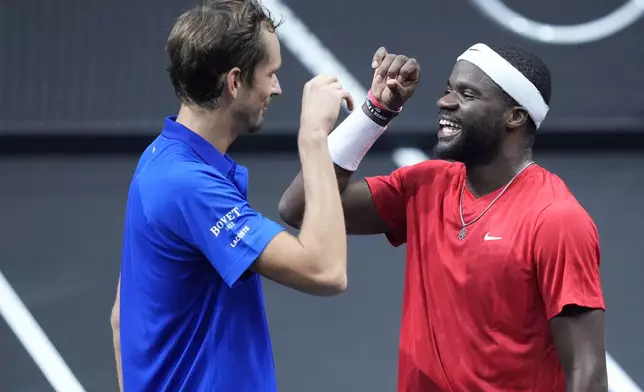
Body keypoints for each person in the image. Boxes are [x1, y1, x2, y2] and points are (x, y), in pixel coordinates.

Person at [279, 43, 608, 391]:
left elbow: (588, 376)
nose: (445, 102)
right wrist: (375, 112)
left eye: (466, 94)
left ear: (514, 116)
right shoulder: (424, 185)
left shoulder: (556, 219)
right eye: (449, 89)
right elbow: (300, 207)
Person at [107, 0, 395, 390]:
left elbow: (122, 316)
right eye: (271, 74)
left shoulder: (165, 161)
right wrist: (312, 136)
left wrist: (371, 114)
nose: (276, 88)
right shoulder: (190, 186)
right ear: (234, 81)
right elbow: (325, 271)